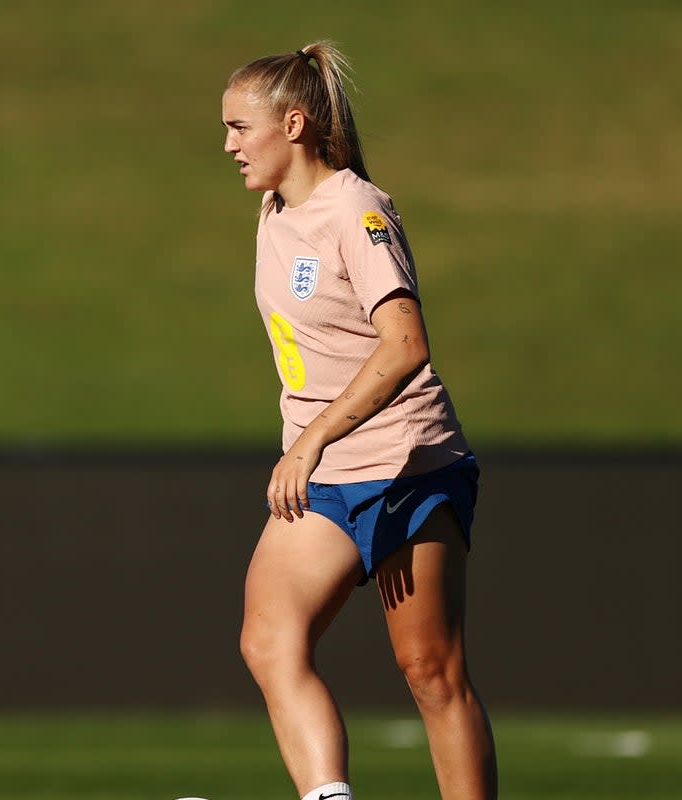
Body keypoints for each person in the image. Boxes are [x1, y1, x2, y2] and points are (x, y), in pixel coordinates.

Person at [222, 41, 499, 800]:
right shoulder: (274, 213)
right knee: (269, 639)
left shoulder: (357, 209)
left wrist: (310, 439)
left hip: (408, 461)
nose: (229, 145)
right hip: (328, 474)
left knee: (430, 672)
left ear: (296, 124)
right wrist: (310, 446)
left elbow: (406, 345)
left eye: (241, 127)